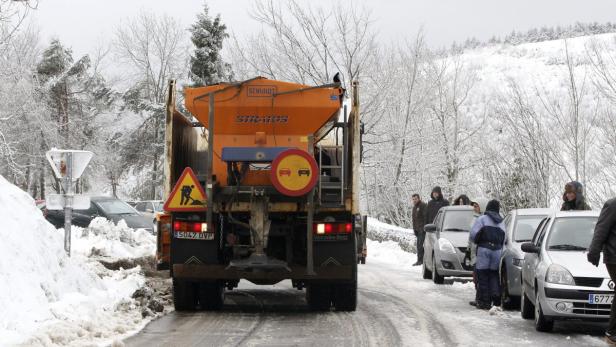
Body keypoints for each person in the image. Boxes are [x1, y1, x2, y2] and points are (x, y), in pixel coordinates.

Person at [587, 198, 616, 345]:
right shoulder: (613, 205)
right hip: (614, 257)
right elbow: (601, 229)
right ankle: (612, 333)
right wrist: (594, 251)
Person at [470, 200, 506, 310]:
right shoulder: (501, 222)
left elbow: (473, 235)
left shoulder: (482, 219)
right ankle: (496, 300)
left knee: (483, 275)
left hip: (484, 250)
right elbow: (505, 239)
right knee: (493, 274)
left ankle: (484, 302)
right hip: (497, 251)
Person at [467, 201, 482, 306]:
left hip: (479, 251)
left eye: (476, 206)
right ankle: (478, 297)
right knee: (476, 276)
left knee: (479, 276)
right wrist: (468, 249)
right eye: (474, 206)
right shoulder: (474, 218)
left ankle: (480, 298)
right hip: (473, 251)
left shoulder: (482, 220)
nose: (474, 208)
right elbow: (470, 236)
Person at [411, 194, 428, 266]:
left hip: (422, 229)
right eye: (413, 199)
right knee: (418, 245)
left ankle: (421, 260)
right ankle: (421, 260)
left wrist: (424, 228)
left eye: (415, 199)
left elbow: (425, 217)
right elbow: (414, 220)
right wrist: (414, 229)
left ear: (419, 198)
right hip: (417, 229)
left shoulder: (423, 205)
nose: (414, 200)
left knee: (420, 245)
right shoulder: (414, 208)